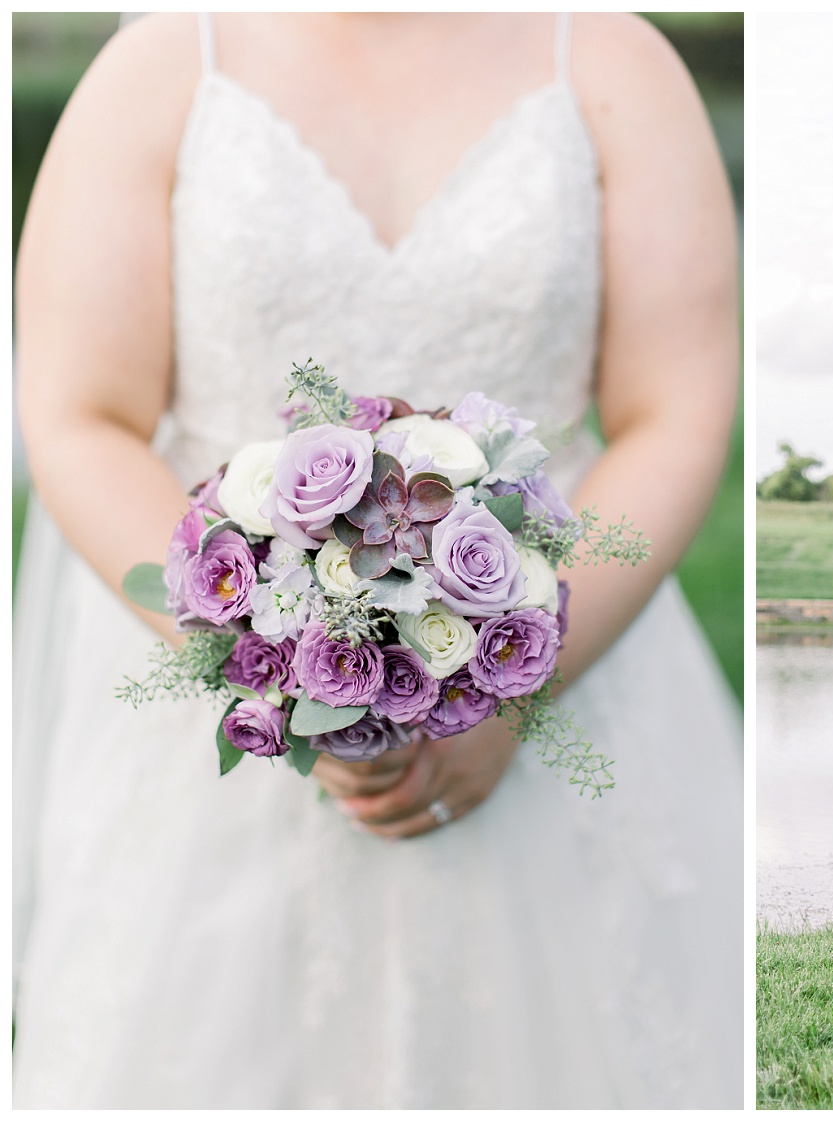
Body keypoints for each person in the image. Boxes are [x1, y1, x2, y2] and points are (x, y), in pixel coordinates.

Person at [13, 13, 742, 1107]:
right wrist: (263, 660)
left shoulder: (609, 59)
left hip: (564, 650)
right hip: (216, 699)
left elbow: (673, 409)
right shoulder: (167, 62)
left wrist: (517, 683)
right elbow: (81, 414)